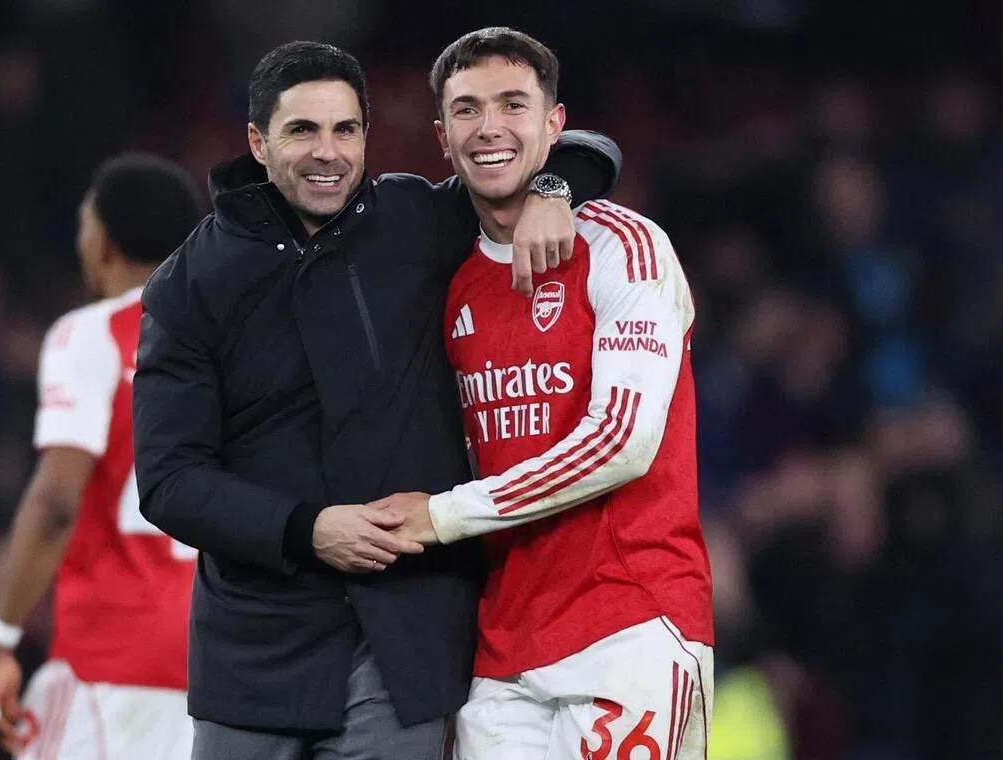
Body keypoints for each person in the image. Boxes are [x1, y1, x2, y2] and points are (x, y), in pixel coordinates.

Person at [132, 40, 620, 760]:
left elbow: (583, 149)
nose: (327, 152)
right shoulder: (189, 284)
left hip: (402, 647)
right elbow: (170, 481)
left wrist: (552, 194)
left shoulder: (415, 221)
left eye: (345, 130)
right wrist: (308, 529)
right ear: (257, 143)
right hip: (255, 656)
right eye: (302, 131)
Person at [375, 28, 715, 759]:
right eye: (466, 110)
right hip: (501, 654)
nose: (489, 127)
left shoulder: (627, 245)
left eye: (512, 105)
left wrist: (443, 515)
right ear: (440, 136)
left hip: (630, 624)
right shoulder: (451, 280)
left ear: (555, 125)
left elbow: (622, 442)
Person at [0, 153, 205, 759]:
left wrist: (2, 637)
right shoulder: (237, 345)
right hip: (222, 663)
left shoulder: (90, 333)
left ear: (102, 241)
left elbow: (55, 502)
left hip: (111, 657)